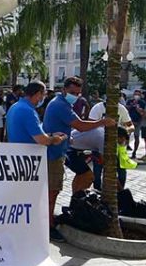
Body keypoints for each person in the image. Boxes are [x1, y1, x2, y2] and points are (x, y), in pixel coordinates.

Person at [43, 77, 115, 242]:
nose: (75, 96)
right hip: (53, 153)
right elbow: (81, 125)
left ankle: (58, 215)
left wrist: (69, 138)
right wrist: (102, 122)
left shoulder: (61, 103)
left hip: (59, 151)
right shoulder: (61, 105)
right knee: (53, 192)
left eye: (77, 93)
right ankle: (49, 227)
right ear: (64, 90)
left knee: (55, 190)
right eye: (72, 92)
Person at [7, 82, 68, 236]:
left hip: (18, 158)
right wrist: (55, 139)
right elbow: (41, 139)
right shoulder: (27, 111)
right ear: (38, 93)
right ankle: (44, 228)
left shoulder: (15, 107)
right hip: (28, 160)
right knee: (39, 195)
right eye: (44, 94)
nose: (44, 97)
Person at [126, 89, 146, 158]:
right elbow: (126, 109)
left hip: (138, 122)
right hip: (129, 121)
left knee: (136, 136)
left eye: (138, 94)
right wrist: (132, 105)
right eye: (135, 94)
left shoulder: (142, 102)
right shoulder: (130, 101)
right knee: (126, 136)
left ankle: (134, 152)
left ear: (140, 95)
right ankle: (125, 148)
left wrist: (139, 109)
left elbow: (144, 112)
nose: (136, 96)